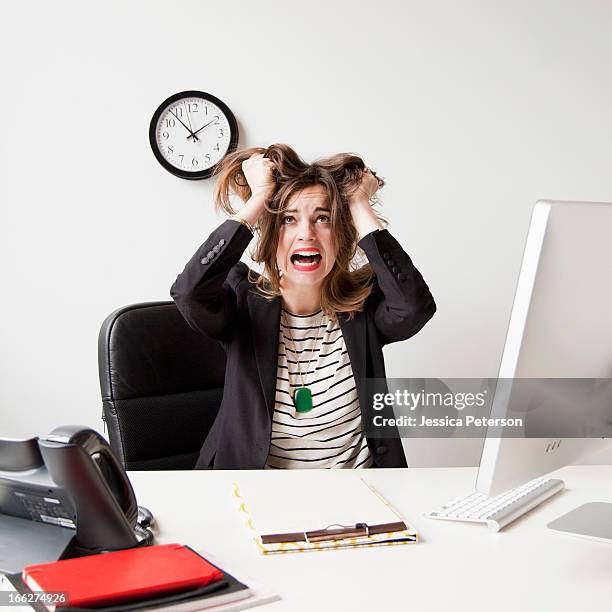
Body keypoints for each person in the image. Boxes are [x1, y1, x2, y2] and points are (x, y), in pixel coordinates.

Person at [171, 144, 436, 469]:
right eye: (288, 220)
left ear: (340, 234)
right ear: (270, 235)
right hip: (259, 495)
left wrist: (358, 203)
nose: (306, 234)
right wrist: (259, 199)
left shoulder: (365, 304)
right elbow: (188, 293)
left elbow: (415, 308)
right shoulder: (241, 299)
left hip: (360, 493)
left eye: (322, 219)